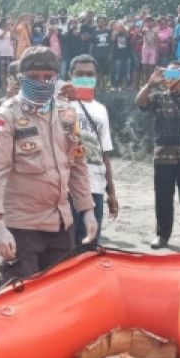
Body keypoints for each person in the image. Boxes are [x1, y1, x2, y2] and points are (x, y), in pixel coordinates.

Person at [0, 46, 96, 285]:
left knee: (60, 294)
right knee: (20, 298)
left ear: (56, 78)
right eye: (34, 78)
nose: (42, 82)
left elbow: (77, 164)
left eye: (47, 77)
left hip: (61, 225)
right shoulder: (4, 117)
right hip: (21, 227)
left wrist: (87, 210)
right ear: (21, 78)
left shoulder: (66, 114)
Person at [138, 62, 180, 248]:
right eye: (169, 73)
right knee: (163, 198)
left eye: (177, 73)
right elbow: (140, 102)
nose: (172, 77)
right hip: (163, 156)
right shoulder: (158, 96)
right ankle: (162, 235)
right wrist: (150, 84)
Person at [67, 55, 118, 250]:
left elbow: (104, 154)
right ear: (70, 76)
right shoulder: (61, 104)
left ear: (97, 77)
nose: (85, 78)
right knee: (66, 247)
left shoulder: (101, 110)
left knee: (90, 245)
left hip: (95, 187)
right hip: (68, 188)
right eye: (79, 74)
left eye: (89, 74)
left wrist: (111, 192)